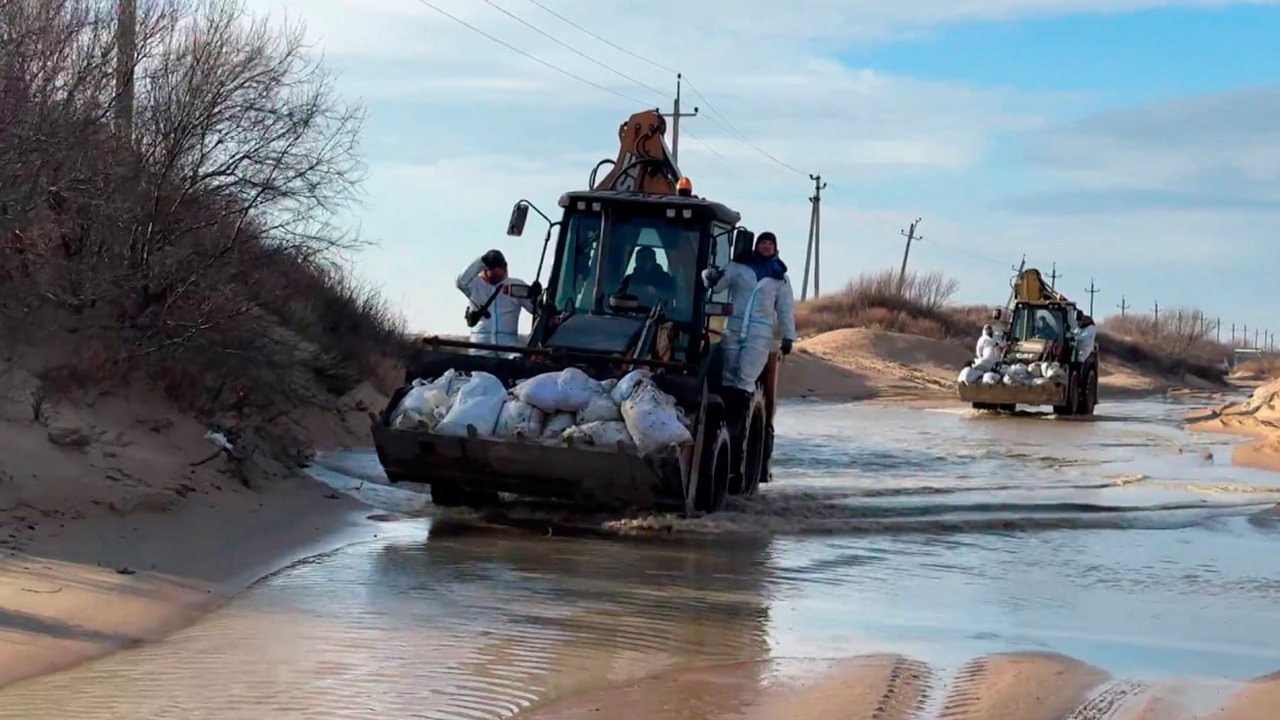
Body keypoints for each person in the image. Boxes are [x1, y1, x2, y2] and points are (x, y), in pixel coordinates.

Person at [700, 231, 797, 397]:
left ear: (775, 248)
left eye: (770, 244)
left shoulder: (779, 277)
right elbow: (717, 286)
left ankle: (741, 413)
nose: (766, 246)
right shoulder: (738, 266)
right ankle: (725, 411)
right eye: (763, 243)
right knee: (728, 372)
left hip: (759, 333)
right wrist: (709, 277)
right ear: (756, 245)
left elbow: (785, 309)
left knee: (746, 375)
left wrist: (788, 336)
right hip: (734, 326)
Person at [455, 250, 534, 354]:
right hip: (480, 348)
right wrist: (481, 261)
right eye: (492, 268)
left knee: (517, 365)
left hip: (508, 349)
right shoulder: (475, 285)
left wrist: (535, 295)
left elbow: (535, 309)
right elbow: (460, 282)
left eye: (500, 268)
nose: (496, 272)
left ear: (505, 268)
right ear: (485, 269)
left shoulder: (515, 286)